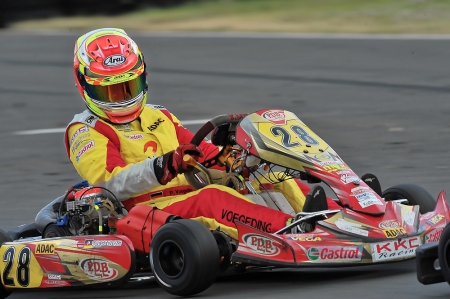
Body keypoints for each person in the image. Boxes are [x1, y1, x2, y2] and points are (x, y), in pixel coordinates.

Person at [65, 28, 340, 240]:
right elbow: (110, 186)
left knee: (270, 176)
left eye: (129, 85)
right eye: (109, 90)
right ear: (85, 85)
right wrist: (164, 165)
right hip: (146, 213)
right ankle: (297, 233)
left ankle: (339, 219)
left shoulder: (159, 115)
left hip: (190, 193)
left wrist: (228, 157)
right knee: (213, 197)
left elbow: (198, 151)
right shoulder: (85, 130)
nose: (122, 97)